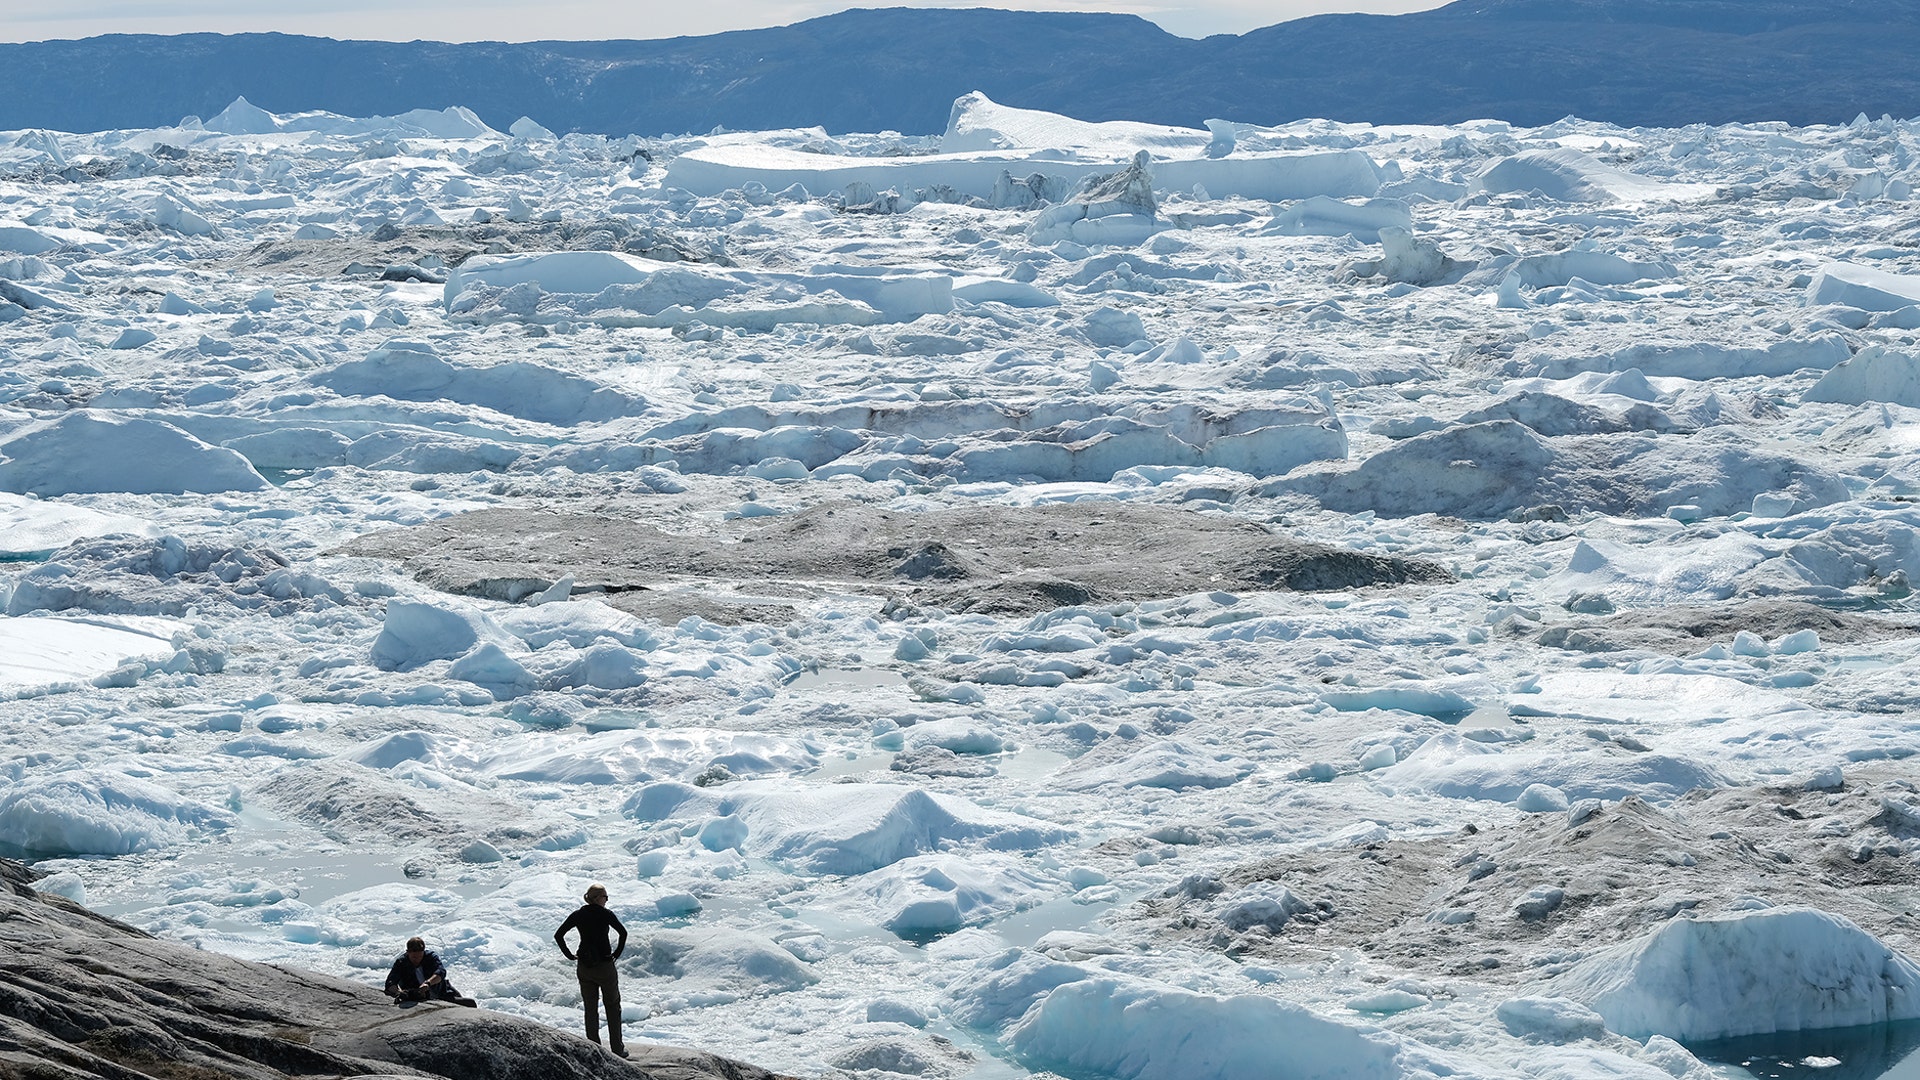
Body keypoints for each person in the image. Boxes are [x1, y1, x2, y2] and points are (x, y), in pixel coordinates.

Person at [554, 883, 629, 1058]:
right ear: (598, 898)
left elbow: (558, 935)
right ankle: (617, 1049)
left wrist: (569, 955)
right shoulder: (606, 914)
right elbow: (623, 933)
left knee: (590, 1007)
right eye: (605, 897)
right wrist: (616, 954)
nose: (607, 900)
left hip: (584, 966)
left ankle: (595, 1048)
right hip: (604, 966)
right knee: (612, 1006)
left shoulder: (578, 914)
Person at [384, 936, 476, 1007]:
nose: (417, 960)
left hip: (442, 994)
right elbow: (391, 982)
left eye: (420, 956)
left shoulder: (431, 957)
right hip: (416, 998)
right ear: (408, 952)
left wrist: (428, 984)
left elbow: (441, 972)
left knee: (469, 1003)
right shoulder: (401, 962)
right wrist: (399, 993)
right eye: (414, 957)